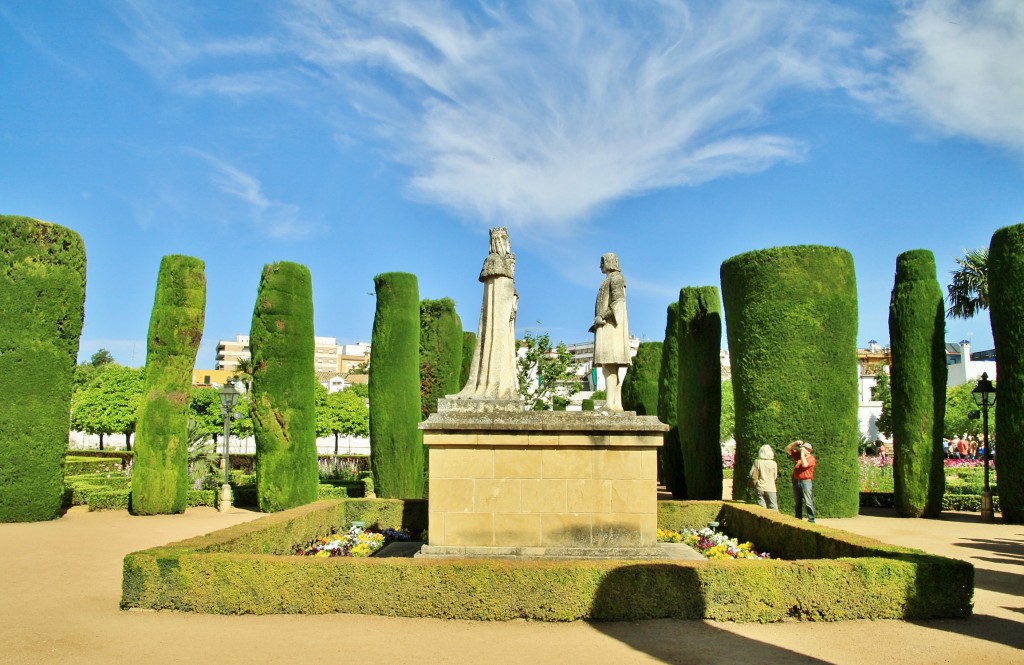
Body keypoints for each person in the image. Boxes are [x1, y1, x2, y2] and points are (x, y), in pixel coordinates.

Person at [456, 227, 519, 400]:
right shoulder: (494, 261)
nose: (508, 245)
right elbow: (495, 293)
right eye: (506, 241)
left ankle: (502, 387)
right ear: (499, 241)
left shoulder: (503, 263)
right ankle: (491, 385)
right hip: (495, 317)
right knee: (492, 343)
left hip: (502, 316)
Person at [591, 252, 631, 411]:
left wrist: (602, 316)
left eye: (602, 262)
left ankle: (610, 403)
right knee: (610, 367)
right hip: (609, 326)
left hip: (611, 327)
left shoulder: (615, 278)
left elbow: (618, 302)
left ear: (609, 262)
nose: (600, 265)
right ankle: (615, 403)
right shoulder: (612, 279)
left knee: (608, 365)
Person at [784, 440, 816, 523]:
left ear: (808, 450)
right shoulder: (798, 456)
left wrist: (802, 454)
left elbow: (805, 465)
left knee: (808, 501)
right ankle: (798, 519)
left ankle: (811, 520)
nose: (801, 449)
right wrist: (796, 443)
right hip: (796, 481)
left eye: (803, 448)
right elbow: (787, 449)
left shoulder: (811, 458)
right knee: (797, 502)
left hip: (806, 482)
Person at [748, 444, 779, 511]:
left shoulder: (757, 462)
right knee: (773, 507)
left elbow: (751, 474)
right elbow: (775, 476)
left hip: (759, 487)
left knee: (762, 509)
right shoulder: (773, 463)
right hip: (771, 488)